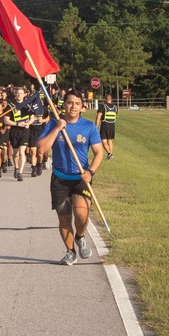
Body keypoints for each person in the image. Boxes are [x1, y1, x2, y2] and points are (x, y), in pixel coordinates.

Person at [36, 89, 104, 265]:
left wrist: (91, 172)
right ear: (64, 104)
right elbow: (42, 149)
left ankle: (80, 237)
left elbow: (99, 153)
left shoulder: (89, 127)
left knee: (81, 214)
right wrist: (58, 128)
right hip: (59, 178)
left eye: (77, 103)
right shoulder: (53, 125)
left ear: (82, 107)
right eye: (70, 102)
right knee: (64, 217)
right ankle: (70, 251)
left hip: (81, 177)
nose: (73, 106)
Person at [5, 88, 32, 181]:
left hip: (24, 131)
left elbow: (32, 117)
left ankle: (20, 172)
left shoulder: (27, 105)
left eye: (21, 93)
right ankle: (16, 167)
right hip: (14, 131)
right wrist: (17, 124)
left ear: (24, 94)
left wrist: (28, 123)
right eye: (17, 93)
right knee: (15, 153)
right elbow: (6, 120)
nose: (19, 95)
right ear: (15, 94)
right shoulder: (10, 106)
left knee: (22, 152)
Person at [96, 93, 118, 159]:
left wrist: (96, 126)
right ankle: (110, 154)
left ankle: (109, 153)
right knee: (110, 140)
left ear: (105, 100)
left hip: (105, 125)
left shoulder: (103, 106)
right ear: (111, 100)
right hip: (112, 125)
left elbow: (98, 117)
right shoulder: (115, 107)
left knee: (103, 140)